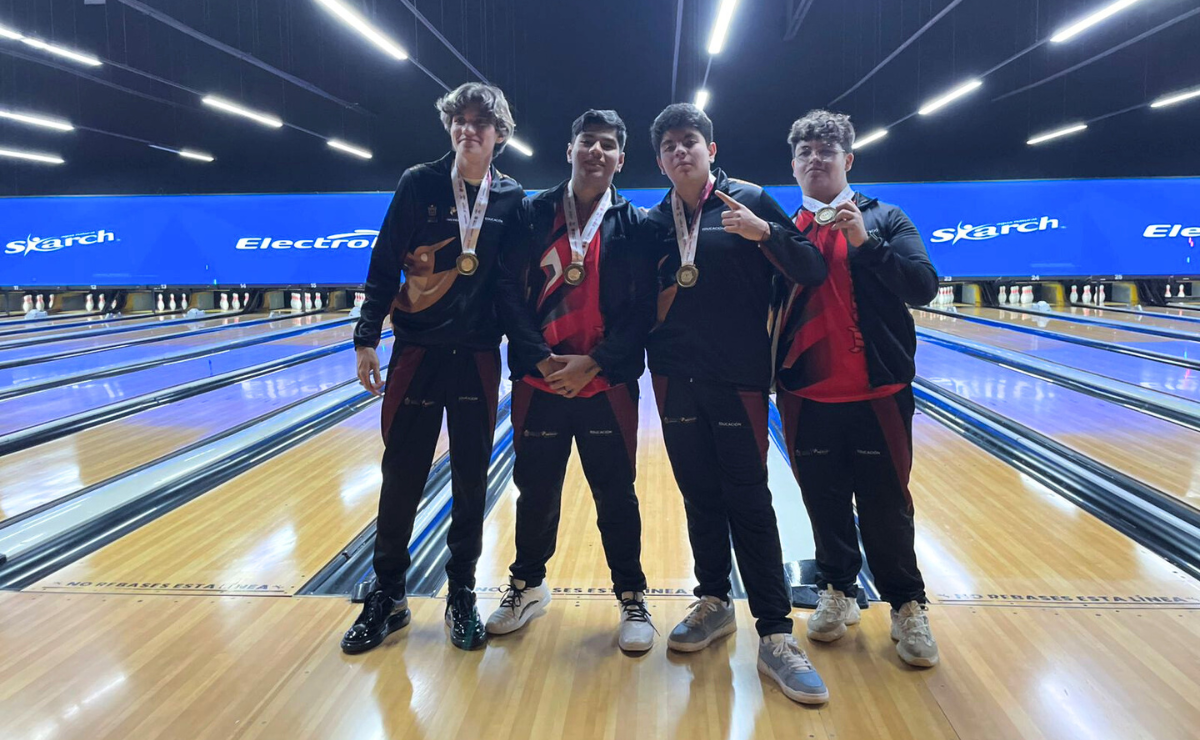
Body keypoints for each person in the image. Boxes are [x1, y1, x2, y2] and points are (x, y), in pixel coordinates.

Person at [645, 103, 830, 704]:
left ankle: (776, 633)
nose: (681, 151)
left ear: (711, 151)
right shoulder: (654, 219)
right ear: (660, 159)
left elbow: (812, 267)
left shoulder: (749, 200)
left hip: (740, 379)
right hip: (674, 380)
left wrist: (767, 233)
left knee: (749, 500)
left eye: (691, 141)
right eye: (670, 144)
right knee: (699, 495)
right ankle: (714, 601)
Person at [341, 82, 526, 653]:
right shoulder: (419, 182)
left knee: (472, 480)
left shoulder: (511, 197)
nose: (468, 129)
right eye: (459, 120)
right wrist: (366, 337)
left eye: (480, 122)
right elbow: (382, 259)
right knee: (402, 476)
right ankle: (389, 595)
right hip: (417, 354)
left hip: (474, 359)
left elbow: (514, 288)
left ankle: (461, 591)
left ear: (499, 133)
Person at [774, 109, 940, 667]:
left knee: (886, 506)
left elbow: (923, 287)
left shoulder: (887, 218)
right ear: (793, 166)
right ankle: (838, 590)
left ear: (848, 161)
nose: (815, 159)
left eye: (827, 150)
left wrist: (865, 243)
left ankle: (907, 605)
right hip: (805, 396)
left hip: (879, 393)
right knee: (822, 503)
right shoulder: (782, 231)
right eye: (805, 152)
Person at [489, 109, 658, 652]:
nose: (596, 152)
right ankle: (527, 585)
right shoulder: (532, 213)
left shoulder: (636, 223)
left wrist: (597, 363)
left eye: (608, 145)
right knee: (535, 491)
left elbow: (642, 310)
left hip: (605, 385)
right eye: (587, 141)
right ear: (570, 150)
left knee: (616, 494)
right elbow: (505, 291)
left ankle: (631, 596)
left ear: (620, 159)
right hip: (540, 383)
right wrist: (538, 358)